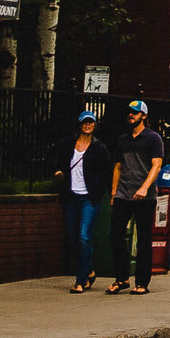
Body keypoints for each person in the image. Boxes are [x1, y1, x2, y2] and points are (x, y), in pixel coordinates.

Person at [108, 100, 165, 295]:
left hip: (144, 197)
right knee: (115, 234)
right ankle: (122, 278)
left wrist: (144, 188)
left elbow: (156, 165)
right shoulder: (123, 140)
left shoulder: (152, 138)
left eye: (135, 112)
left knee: (143, 239)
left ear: (144, 116)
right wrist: (114, 192)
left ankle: (142, 282)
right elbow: (118, 167)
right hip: (123, 193)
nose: (131, 115)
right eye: (129, 112)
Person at [54, 107, 112, 293]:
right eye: (85, 122)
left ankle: (80, 280)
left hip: (89, 197)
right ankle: (88, 271)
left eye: (91, 122)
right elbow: (54, 159)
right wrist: (57, 173)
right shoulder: (67, 144)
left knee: (84, 236)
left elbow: (107, 170)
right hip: (71, 196)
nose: (88, 125)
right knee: (72, 238)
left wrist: (102, 190)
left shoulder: (99, 148)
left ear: (95, 126)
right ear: (80, 125)